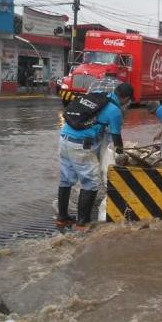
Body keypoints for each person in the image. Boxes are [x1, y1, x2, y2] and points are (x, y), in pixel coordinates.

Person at [56, 82, 134, 230]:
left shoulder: (98, 96)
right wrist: (121, 156)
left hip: (64, 139)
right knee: (91, 182)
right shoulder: (115, 111)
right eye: (128, 101)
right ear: (125, 98)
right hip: (80, 146)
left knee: (66, 179)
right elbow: (117, 139)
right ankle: (83, 223)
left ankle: (62, 218)